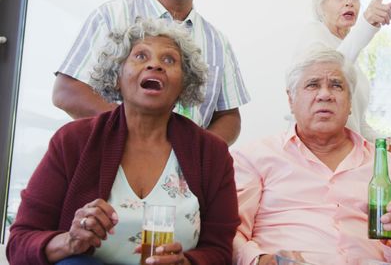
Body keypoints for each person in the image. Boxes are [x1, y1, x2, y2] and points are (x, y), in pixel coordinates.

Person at [8, 19, 239, 265]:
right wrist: (69, 241)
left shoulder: (211, 153)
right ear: (117, 76)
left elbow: (219, 250)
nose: (155, 65)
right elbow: (20, 243)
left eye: (169, 60)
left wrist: (188, 263)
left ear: (184, 85)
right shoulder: (72, 141)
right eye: (141, 56)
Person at [53, 0, 249, 145]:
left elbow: (229, 117)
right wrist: (135, 135)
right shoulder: (110, 17)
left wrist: (195, 153)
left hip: (184, 172)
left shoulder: (218, 42)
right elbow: (66, 92)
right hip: (111, 156)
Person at [232, 49, 391, 265]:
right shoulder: (254, 157)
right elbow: (229, 232)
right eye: (313, 85)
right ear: (291, 100)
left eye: (336, 85)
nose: (325, 94)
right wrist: (261, 260)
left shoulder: (388, 167)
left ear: (349, 104)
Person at [292, 0, 391, 142]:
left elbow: (357, 126)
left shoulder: (349, 49)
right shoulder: (313, 34)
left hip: (348, 156)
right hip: (316, 153)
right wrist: (366, 24)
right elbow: (330, 72)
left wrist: (387, 144)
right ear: (320, 5)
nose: (349, 2)